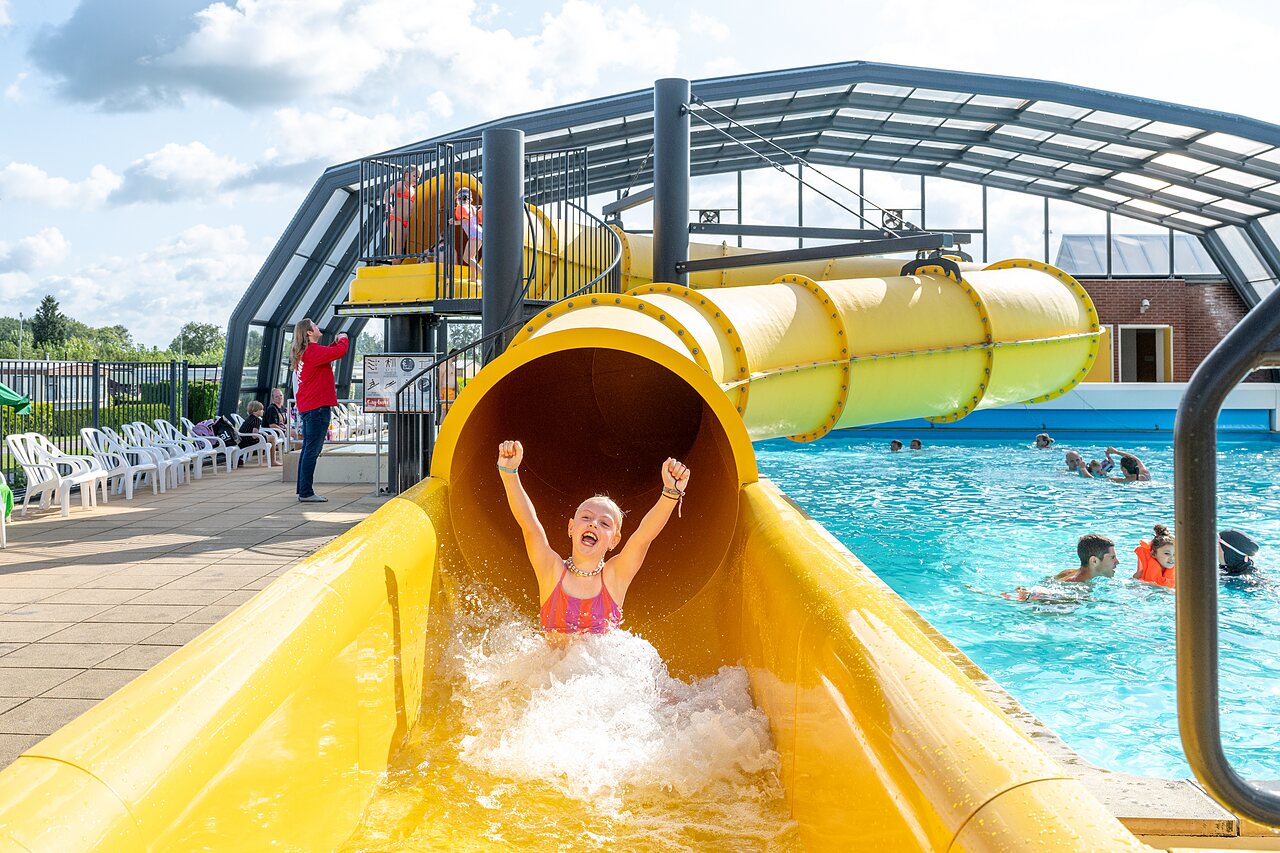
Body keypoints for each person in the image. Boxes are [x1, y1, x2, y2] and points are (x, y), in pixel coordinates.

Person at [495, 439, 690, 638]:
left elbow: (643, 538)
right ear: (571, 527)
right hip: (554, 668)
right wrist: (509, 474)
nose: (593, 524)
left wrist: (671, 493)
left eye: (604, 523)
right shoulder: (551, 571)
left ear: (614, 540)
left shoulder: (614, 577)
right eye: (586, 517)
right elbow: (531, 527)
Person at [291, 318, 349, 503]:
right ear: (309, 332)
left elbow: (329, 352)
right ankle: (306, 492)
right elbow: (340, 351)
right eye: (314, 326)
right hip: (317, 408)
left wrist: (335, 342)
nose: (318, 327)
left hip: (309, 407)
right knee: (312, 451)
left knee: (307, 449)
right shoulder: (312, 351)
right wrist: (344, 338)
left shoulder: (307, 352)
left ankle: (303, 490)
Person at [1005, 533, 1118, 601]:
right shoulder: (1079, 587)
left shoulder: (1067, 572)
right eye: (1112, 557)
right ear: (1094, 561)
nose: (1117, 562)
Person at [383, 166, 419, 261]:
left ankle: (397, 266)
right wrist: (388, 204)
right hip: (396, 219)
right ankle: (394, 269)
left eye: (418, 177)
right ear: (406, 175)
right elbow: (388, 191)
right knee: (398, 247)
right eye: (415, 176)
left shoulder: (413, 190)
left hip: (406, 222)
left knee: (403, 247)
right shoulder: (401, 185)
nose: (417, 179)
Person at [453, 186, 482, 280]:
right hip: (479, 233)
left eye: (464, 198)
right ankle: (474, 278)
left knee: (466, 258)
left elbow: (465, 221)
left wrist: (454, 222)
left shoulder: (462, 208)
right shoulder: (472, 208)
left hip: (474, 235)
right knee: (471, 256)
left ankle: (483, 272)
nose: (462, 200)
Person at [242, 400, 282, 467]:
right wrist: (262, 435)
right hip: (249, 440)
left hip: (244, 439)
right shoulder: (256, 420)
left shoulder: (250, 418)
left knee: (269, 436)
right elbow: (255, 435)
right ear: (255, 411)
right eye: (261, 410)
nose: (263, 411)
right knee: (272, 438)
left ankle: (273, 460)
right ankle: (273, 461)